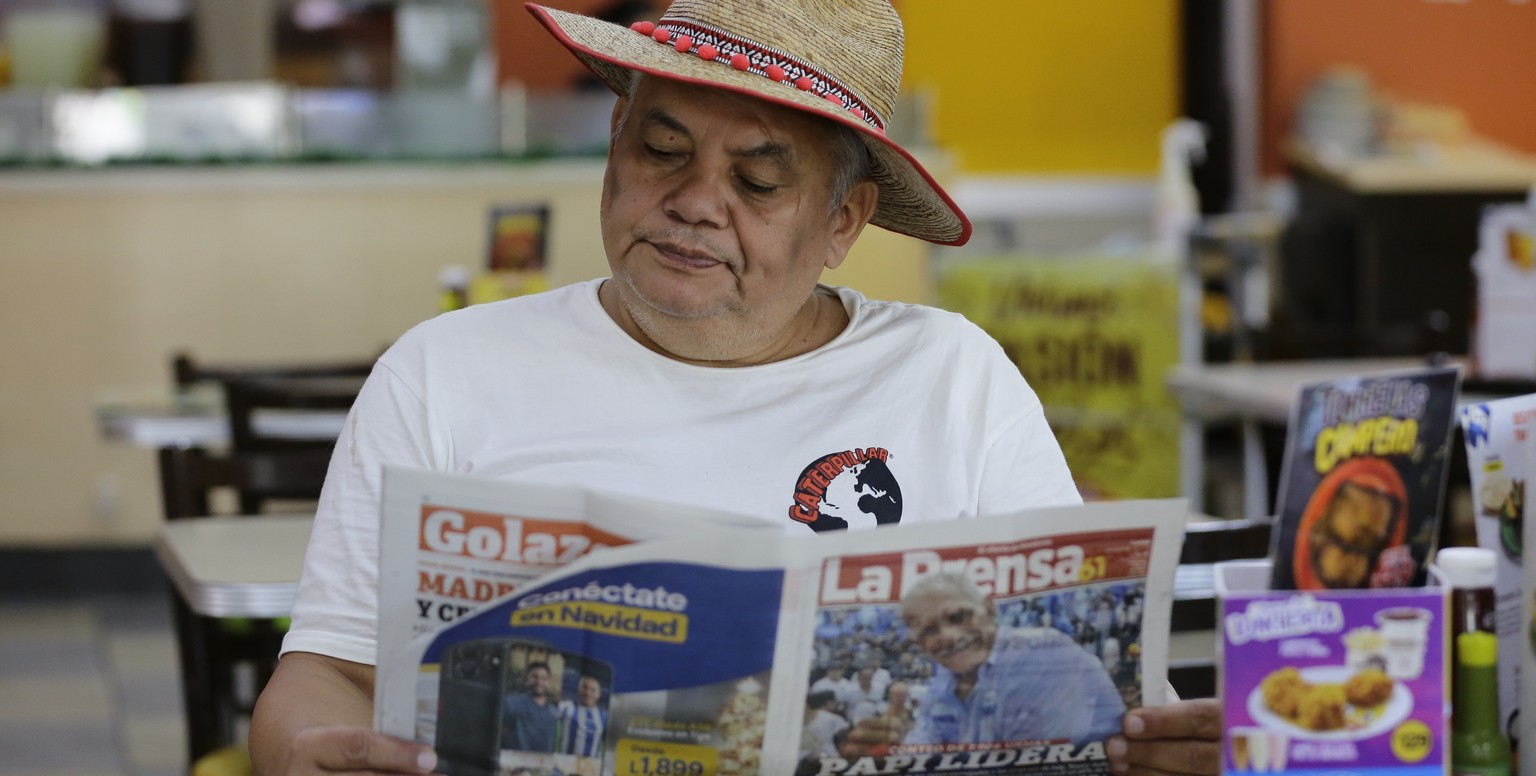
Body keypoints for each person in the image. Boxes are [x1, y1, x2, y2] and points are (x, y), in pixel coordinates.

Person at [247, 0, 1220, 773]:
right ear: (615, 140)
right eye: (662, 150)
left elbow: (1096, 703)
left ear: (845, 221)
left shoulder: (953, 377)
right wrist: (299, 747)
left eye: (758, 180)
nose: (695, 200)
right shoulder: (443, 373)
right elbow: (323, 674)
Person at [843, 574, 1124, 752]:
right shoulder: (947, 679)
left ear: (990, 610)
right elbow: (925, 749)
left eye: (959, 617)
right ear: (919, 645)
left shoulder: (1044, 652)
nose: (949, 637)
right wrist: (892, 753)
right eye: (929, 631)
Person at [502, 663, 559, 753]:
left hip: (543, 763)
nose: (539, 682)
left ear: (548, 681)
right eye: (535, 677)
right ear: (528, 679)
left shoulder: (554, 713)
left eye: (543, 678)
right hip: (516, 762)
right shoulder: (514, 703)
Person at [557, 674, 607, 758]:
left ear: (598, 694)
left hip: (591, 767)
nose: (588, 692)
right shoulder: (568, 706)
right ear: (578, 689)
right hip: (565, 765)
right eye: (584, 687)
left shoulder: (604, 716)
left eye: (593, 690)